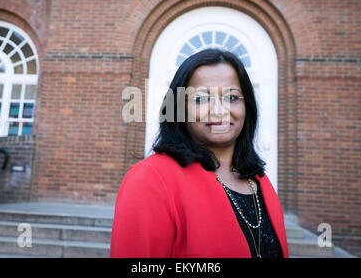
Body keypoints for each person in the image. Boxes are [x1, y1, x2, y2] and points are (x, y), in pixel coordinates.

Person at [110, 49, 288, 258]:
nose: (219, 111)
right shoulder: (150, 179)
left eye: (232, 97)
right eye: (201, 99)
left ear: (247, 105)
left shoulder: (258, 180)